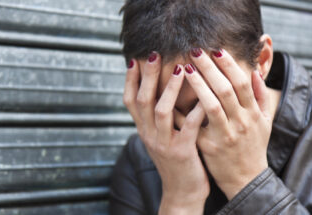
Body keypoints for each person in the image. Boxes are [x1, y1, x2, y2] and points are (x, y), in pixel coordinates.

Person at [109, 0, 312, 214]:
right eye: (166, 109)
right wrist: (180, 201)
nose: (190, 129)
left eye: (211, 103)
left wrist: (249, 181)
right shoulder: (143, 158)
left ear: (262, 60)